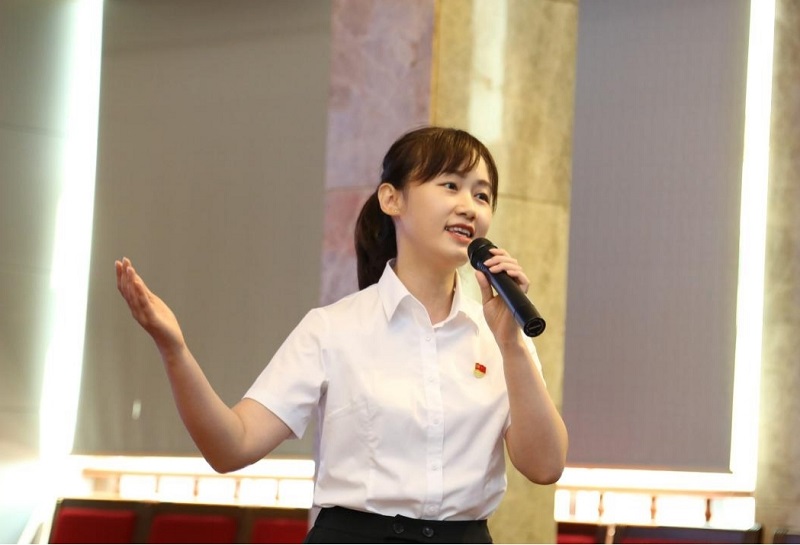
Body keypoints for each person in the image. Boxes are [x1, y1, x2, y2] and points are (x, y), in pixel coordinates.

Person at [115, 126, 568, 544]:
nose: (469, 206)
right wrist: (174, 350)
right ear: (392, 199)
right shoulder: (333, 328)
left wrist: (511, 345)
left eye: (482, 195)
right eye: (450, 185)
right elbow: (232, 446)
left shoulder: (501, 332)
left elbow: (545, 466)